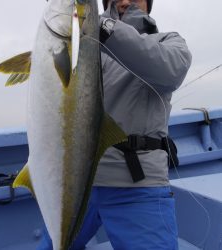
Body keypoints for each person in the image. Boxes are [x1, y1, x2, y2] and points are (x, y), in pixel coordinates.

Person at [38, 0, 192, 249]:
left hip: (138, 187)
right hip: (79, 182)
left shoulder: (168, 41)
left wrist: (103, 26)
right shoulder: (84, 43)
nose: (124, 1)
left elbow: (170, 70)